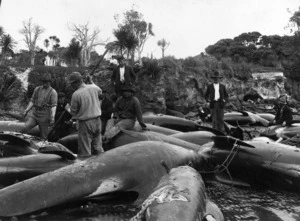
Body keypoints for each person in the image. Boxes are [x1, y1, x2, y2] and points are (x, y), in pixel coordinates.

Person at [68, 72, 104, 157]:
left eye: (72, 84)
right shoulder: (94, 87)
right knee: (98, 147)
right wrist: (91, 81)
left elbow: (73, 112)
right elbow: (100, 92)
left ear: (76, 83)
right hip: (97, 121)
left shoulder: (76, 94)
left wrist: (68, 108)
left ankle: (84, 167)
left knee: (85, 150)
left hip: (85, 123)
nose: (71, 86)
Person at [22, 73, 57, 139]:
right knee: (25, 127)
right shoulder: (37, 89)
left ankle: (43, 147)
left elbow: (53, 106)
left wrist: (52, 117)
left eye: (46, 82)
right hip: (35, 114)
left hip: (44, 116)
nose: (44, 84)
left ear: (49, 82)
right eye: (43, 82)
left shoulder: (53, 92)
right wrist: (26, 110)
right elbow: (32, 101)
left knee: (44, 136)